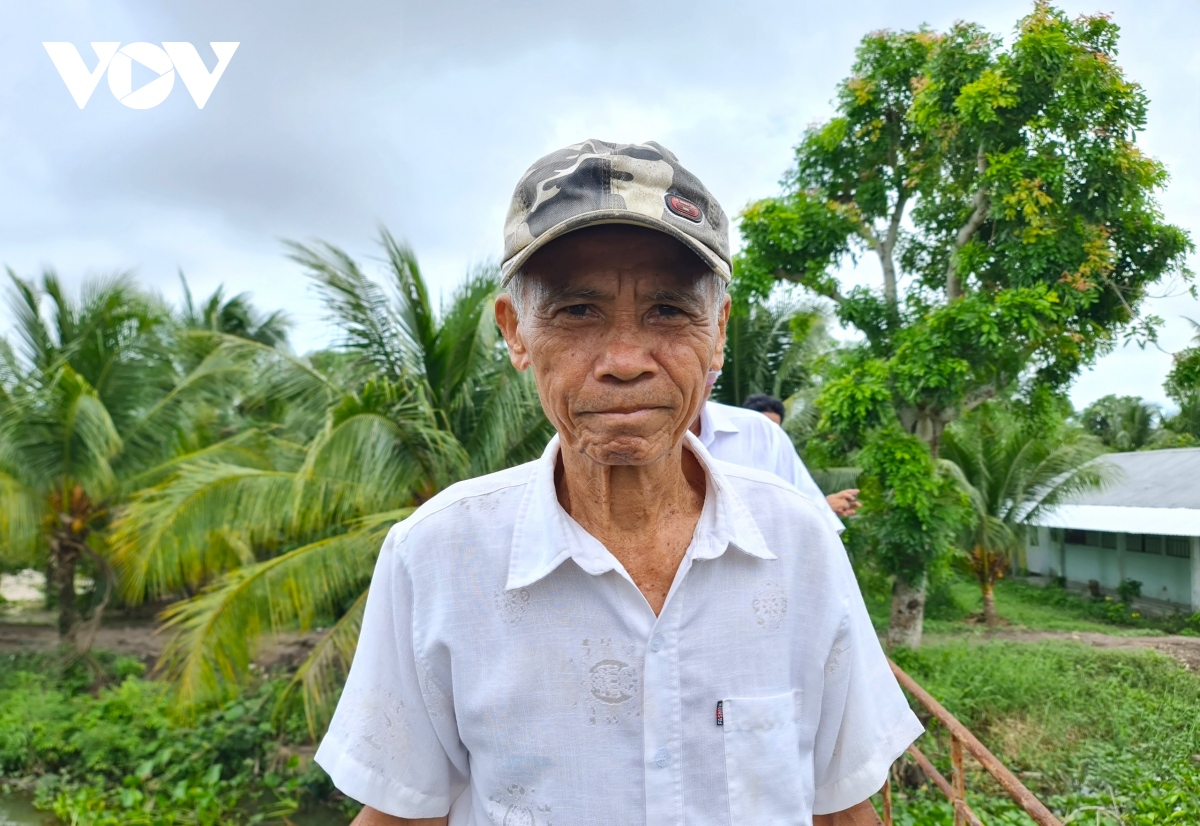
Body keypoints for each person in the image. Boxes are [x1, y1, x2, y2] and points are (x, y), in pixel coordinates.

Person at [315, 139, 923, 826]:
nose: (626, 361)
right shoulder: (435, 557)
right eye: (578, 312)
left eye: (668, 311)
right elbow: (402, 811)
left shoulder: (800, 543)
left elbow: (839, 808)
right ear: (514, 333)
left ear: (718, 331)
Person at [732, 391, 861, 520]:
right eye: (763, 427)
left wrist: (825, 506)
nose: (770, 433)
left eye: (775, 428)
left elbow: (789, 503)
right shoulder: (725, 455)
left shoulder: (782, 459)